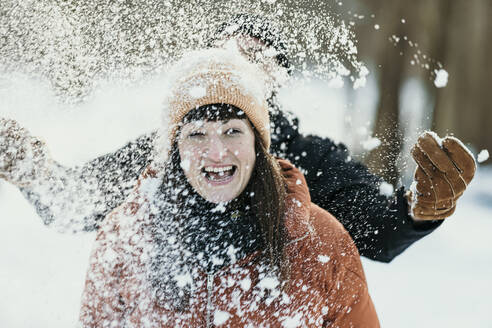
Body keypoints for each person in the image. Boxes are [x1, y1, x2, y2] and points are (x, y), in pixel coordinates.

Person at [0, 14, 476, 262]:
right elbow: (75, 203)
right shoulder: (169, 148)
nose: (241, 60)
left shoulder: (309, 155)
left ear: (276, 79)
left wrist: (418, 209)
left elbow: (378, 232)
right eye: (229, 49)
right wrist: (34, 171)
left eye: (258, 54)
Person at [78, 48, 379, 327]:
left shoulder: (320, 241)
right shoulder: (126, 238)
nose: (217, 152)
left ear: (257, 144)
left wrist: (414, 216)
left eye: (232, 131)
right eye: (196, 135)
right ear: (176, 149)